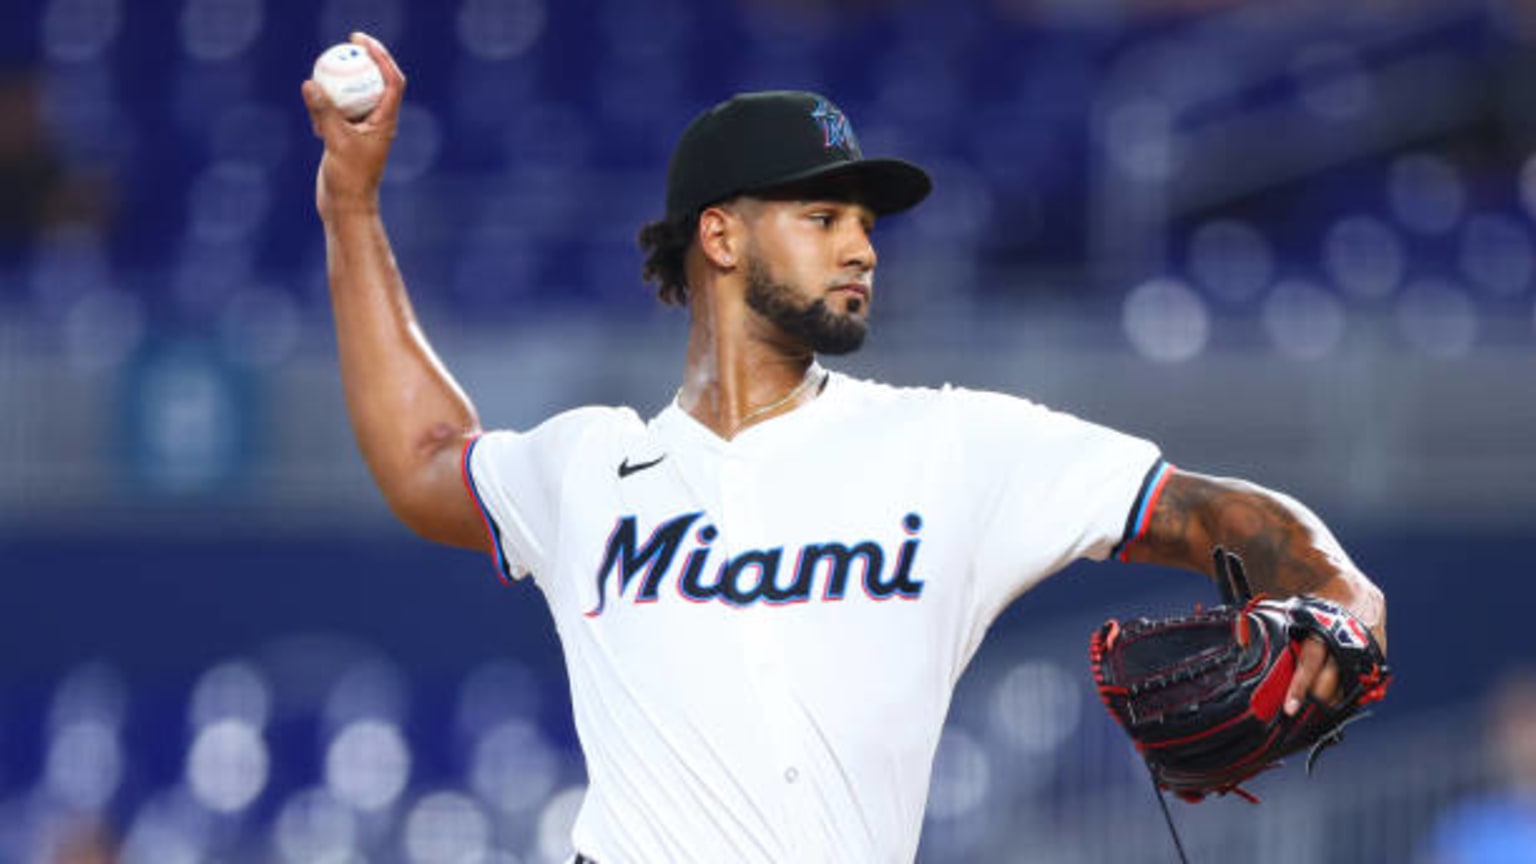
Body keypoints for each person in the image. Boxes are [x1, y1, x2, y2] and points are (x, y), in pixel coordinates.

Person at [302, 33, 1388, 864]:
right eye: (822, 217)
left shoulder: (954, 446)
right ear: (719, 235)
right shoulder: (590, 469)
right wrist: (351, 204)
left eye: (864, 222)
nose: (862, 245)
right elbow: (427, 454)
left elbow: (1205, 514)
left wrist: (1338, 590)